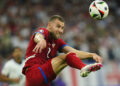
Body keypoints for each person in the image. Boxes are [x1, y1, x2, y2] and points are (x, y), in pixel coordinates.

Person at [22, 15, 103, 86]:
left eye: (62, 28)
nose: (61, 31)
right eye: (58, 26)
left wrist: (91, 55)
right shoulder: (44, 32)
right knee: (65, 57)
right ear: (49, 25)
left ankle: (84, 67)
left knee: (70, 55)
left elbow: (75, 52)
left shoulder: (58, 41)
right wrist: (41, 40)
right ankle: (83, 67)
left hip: (42, 81)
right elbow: (38, 35)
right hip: (34, 73)